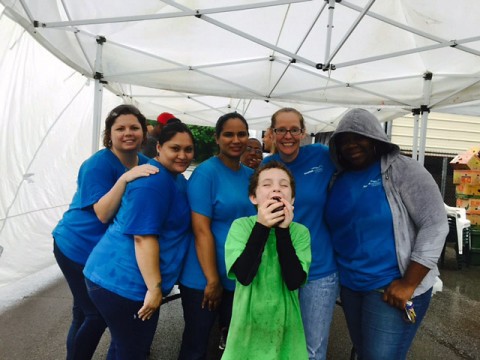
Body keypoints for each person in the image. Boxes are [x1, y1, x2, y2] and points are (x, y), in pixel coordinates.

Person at [324, 108, 448, 359]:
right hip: (351, 288)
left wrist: (408, 283)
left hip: (390, 289)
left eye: (359, 137)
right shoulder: (338, 177)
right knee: (363, 351)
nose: (351, 145)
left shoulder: (403, 170)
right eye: (344, 140)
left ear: (375, 138)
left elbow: (435, 224)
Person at [52, 104, 158, 359]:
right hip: (75, 245)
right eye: (119, 128)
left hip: (99, 250)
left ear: (144, 133)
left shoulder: (144, 162)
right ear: (109, 135)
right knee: (95, 314)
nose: (128, 133)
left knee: (83, 311)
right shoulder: (97, 164)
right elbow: (102, 213)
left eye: (134, 127)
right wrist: (124, 179)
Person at [83, 120, 195, 359]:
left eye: (188, 149)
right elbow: (143, 238)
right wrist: (155, 289)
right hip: (123, 283)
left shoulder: (174, 178)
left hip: (125, 281)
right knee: (132, 351)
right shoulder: (153, 183)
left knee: (123, 348)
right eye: (175, 148)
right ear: (159, 148)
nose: (182, 155)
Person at [178, 112, 257, 359]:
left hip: (237, 276)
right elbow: (201, 230)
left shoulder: (249, 176)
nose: (236, 140)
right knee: (196, 344)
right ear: (217, 138)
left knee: (233, 344)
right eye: (229, 134)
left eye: (241, 134)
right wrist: (212, 280)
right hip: (203, 277)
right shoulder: (206, 173)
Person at [262, 108, 338, 360]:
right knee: (277, 343)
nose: (287, 136)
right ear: (272, 133)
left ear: (303, 132)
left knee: (312, 348)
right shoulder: (266, 167)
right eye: (281, 130)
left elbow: (354, 165)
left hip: (319, 269)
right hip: (278, 269)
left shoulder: (321, 156)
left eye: (294, 129)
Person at [222, 161, 311, 360]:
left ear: (292, 198)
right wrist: (262, 227)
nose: (276, 188)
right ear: (253, 197)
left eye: (283, 185)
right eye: (267, 184)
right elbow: (244, 276)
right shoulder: (240, 227)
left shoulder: (300, 232)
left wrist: (283, 232)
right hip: (246, 329)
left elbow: (294, 280)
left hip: (286, 331)